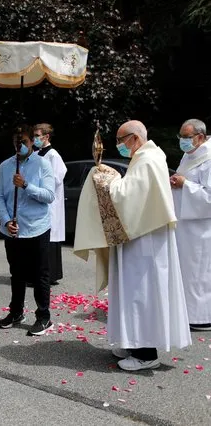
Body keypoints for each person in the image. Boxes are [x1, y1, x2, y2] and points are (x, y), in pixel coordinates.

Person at [74, 120, 191, 371]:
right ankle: (132, 343)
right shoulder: (147, 156)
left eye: (120, 139)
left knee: (141, 294)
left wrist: (105, 179)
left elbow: (126, 197)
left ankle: (146, 354)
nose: (118, 145)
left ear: (135, 138)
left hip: (145, 242)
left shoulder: (148, 160)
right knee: (133, 293)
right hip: (141, 239)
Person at [0, 124, 55, 336]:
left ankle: (44, 316)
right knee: (16, 273)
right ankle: (16, 311)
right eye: (16, 142)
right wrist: (5, 220)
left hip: (37, 227)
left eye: (24, 142)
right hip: (14, 229)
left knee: (40, 274)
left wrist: (26, 185)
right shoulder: (5, 166)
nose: (20, 146)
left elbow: (49, 196)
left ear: (32, 142)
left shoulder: (42, 164)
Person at [170, 118, 211, 331]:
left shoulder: (209, 158)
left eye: (186, 137)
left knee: (200, 274)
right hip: (185, 226)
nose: (183, 142)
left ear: (201, 137)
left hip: (202, 229)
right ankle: (187, 313)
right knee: (187, 273)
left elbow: (209, 197)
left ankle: (202, 317)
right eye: (181, 137)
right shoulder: (190, 155)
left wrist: (185, 184)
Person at [33, 123, 67, 285]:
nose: (34, 139)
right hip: (39, 201)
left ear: (46, 137)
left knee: (49, 239)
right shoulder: (38, 153)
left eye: (37, 136)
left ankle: (48, 275)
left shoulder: (53, 155)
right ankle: (40, 274)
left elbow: (57, 177)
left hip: (49, 202)